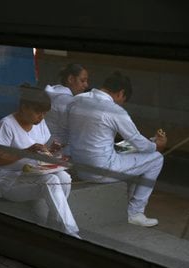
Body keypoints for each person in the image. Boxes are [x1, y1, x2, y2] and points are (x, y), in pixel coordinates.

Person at [68, 71, 167, 227]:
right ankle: (135, 213)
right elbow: (139, 144)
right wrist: (157, 145)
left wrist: (149, 141)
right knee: (156, 158)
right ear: (121, 93)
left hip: (81, 167)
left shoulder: (76, 100)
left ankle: (131, 203)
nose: (121, 104)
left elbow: (133, 144)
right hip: (101, 170)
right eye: (123, 100)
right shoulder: (114, 110)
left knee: (131, 149)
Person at [0, 85, 80, 237]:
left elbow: (40, 149)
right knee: (51, 180)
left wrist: (51, 150)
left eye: (44, 113)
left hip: (33, 176)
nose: (41, 117)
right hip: (9, 182)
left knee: (65, 177)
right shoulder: (6, 125)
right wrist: (26, 152)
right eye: (38, 112)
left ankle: (53, 227)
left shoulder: (39, 123)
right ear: (24, 107)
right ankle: (71, 232)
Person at [45, 64, 89, 151]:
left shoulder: (54, 93)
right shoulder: (66, 101)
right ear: (71, 79)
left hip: (47, 143)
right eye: (83, 81)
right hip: (54, 148)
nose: (86, 85)